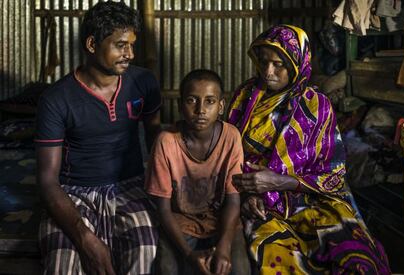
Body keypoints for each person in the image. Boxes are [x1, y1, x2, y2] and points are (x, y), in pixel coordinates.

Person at [228, 25, 391, 274]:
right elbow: (227, 154)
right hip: (259, 204)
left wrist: (280, 182)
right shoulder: (244, 98)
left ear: (296, 64)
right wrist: (245, 195)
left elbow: (333, 174)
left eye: (278, 64)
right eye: (263, 62)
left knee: (356, 259)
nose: (268, 71)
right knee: (280, 259)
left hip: (314, 199)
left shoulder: (316, 106)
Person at [35, 2, 160, 274]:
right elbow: (47, 181)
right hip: (73, 192)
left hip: (130, 186)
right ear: (92, 44)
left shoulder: (144, 83)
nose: (130, 54)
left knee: (145, 249)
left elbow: (157, 142)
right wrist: (85, 238)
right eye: (120, 45)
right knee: (62, 263)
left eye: (132, 45)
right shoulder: (56, 99)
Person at [145, 69, 251, 275]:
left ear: (221, 106)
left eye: (210, 101)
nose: (200, 109)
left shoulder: (231, 137)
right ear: (180, 105)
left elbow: (233, 201)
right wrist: (188, 255)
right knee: (167, 269)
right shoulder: (166, 142)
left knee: (239, 270)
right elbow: (164, 209)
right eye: (192, 100)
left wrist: (224, 247)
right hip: (180, 224)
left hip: (222, 221)